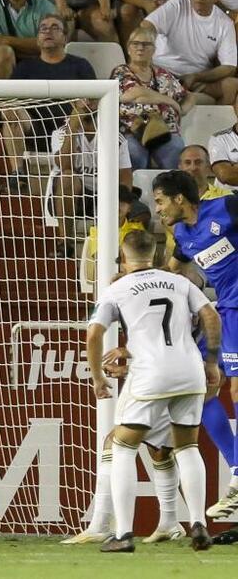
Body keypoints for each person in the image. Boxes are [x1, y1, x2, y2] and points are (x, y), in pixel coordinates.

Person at [87, 229, 219, 552]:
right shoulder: (180, 282)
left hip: (150, 376)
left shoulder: (118, 288)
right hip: (189, 371)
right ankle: (198, 524)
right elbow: (211, 316)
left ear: (123, 255)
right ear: (158, 255)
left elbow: (93, 334)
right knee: (187, 447)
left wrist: (97, 378)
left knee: (122, 447)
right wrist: (212, 362)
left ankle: (123, 535)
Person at [156, 169, 238, 522]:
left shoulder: (226, 208)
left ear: (179, 199)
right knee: (202, 389)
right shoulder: (184, 235)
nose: (157, 209)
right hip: (227, 310)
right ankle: (237, 466)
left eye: (160, 201)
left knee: (235, 387)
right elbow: (172, 270)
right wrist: (132, 280)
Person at [4, 14, 95, 188]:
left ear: (65, 38)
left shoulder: (80, 66)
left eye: (55, 27)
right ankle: (18, 173)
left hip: (70, 131)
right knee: (11, 110)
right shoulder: (25, 68)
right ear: (38, 39)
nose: (48, 32)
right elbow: (11, 99)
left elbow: (92, 103)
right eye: (43, 28)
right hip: (35, 130)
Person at [140, 0, 238, 106]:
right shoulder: (178, 4)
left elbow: (229, 67)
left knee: (232, 85)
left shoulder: (225, 23)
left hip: (196, 79)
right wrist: (147, 58)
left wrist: (196, 77)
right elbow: (147, 26)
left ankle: (218, 126)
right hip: (162, 70)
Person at [50, 99, 134, 256]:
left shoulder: (115, 137)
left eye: (93, 100)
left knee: (141, 212)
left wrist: (121, 203)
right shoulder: (61, 132)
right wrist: (72, 130)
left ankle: (120, 247)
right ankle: (65, 242)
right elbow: (64, 165)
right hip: (73, 196)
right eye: (84, 100)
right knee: (68, 177)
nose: (88, 104)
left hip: (105, 195)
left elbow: (125, 177)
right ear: (75, 105)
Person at [113, 26, 201, 171]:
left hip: (164, 130)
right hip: (132, 130)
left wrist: (183, 110)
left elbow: (189, 95)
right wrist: (171, 102)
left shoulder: (163, 74)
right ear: (128, 49)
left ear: (153, 50)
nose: (140, 48)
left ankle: (172, 191)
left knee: (176, 150)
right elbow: (133, 94)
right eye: (135, 44)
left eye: (146, 44)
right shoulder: (121, 71)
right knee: (134, 155)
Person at [208, 117, 238, 191]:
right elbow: (225, 175)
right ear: (235, 108)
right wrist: (230, 171)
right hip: (228, 197)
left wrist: (234, 167)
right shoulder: (219, 138)